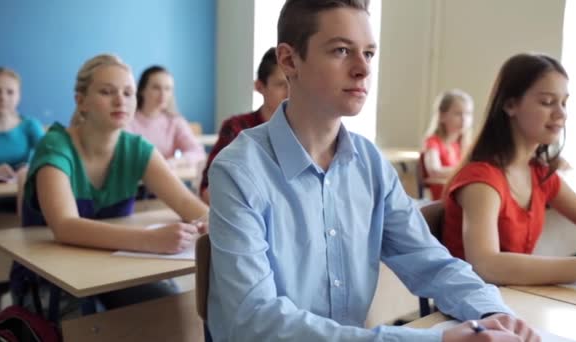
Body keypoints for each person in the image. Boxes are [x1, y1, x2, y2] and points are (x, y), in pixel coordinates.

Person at [206, 1, 537, 341]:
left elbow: (430, 260)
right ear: (289, 60)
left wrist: (492, 313)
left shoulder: (369, 163)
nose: (362, 69)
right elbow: (253, 320)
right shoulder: (239, 170)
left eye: (369, 53)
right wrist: (438, 340)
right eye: (341, 51)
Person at [15, 54, 209, 309]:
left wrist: (211, 223)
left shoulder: (137, 148)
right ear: (81, 101)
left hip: (114, 270)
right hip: (48, 280)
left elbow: (185, 201)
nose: (121, 101)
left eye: (128, 93)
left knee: (169, 306)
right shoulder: (55, 145)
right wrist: (151, 241)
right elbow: (66, 226)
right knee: (87, 319)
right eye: (107, 92)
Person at [442, 53, 576, 286]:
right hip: (474, 313)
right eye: (548, 102)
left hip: (516, 301)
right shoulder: (481, 180)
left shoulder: (539, 173)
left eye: (564, 103)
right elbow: (486, 265)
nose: (561, 114)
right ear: (510, 105)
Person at [199, 47, 288, 204]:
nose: (290, 92)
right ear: (259, 87)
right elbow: (208, 188)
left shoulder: (305, 133)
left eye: (294, 82)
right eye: (281, 84)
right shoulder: (237, 128)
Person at [127, 65, 206, 168]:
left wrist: (173, 162)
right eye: (156, 88)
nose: (163, 94)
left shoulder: (175, 121)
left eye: (168, 88)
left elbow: (197, 152)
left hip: (164, 180)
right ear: (142, 90)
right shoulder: (127, 120)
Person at [421, 89, 474, 199]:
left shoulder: (462, 144)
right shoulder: (433, 142)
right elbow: (434, 171)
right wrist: (468, 170)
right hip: (442, 201)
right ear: (442, 116)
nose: (464, 119)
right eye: (458, 114)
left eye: (468, 114)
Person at [0, 68, 44, 182]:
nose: (2, 98)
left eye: (10, 92)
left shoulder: (30, 125)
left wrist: (29, 168)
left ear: (18, 96)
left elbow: (51, 157)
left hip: (23, 191)